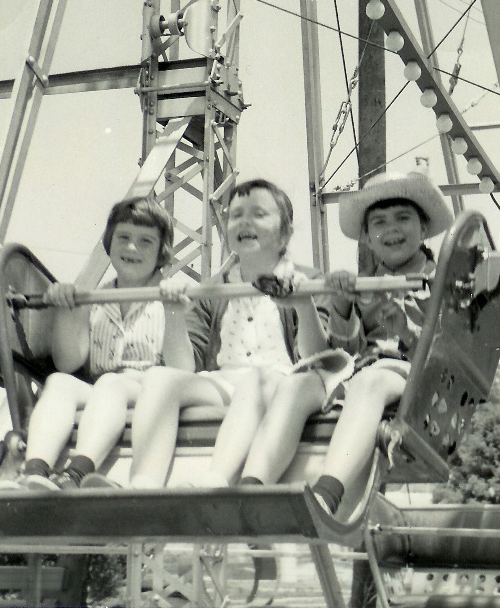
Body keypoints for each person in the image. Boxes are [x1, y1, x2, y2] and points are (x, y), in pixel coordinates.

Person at [126, 178, 342, 489]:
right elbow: (183, 368)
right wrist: (173, 313)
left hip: (283, 383)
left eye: (258, 214)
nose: (244, 222)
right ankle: (144, 485)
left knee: (256, 379)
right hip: (226, 383)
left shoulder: (309, 280)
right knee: (159, 378)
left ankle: (215, 481)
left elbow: (318, 361)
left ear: (286, 234)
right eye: (236, 214)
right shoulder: (212, 289)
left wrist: (304, 305)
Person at [0, 196, 193, 492]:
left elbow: (184, 369)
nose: (132, 247)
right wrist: (67, 311)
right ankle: (34, 472)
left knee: (111, 383)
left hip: (150, 393)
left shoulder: (172, 295)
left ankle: (75, 474)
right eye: (123, 237)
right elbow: (68, 362)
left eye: (145, 241)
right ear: (109, 243)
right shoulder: (94, 299)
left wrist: (174, 310)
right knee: (59, 382)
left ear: (162, 252)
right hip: (104, 393)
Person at [310, 170, 453, 515]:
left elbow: (453, 357)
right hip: (365, 377)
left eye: (403, 218)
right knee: (317, 385)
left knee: (373, 380)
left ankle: (327, 492)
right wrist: (342, 305)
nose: (391, 229)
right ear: (367, 239)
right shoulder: (364, 286)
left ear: (423, 229)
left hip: (425, 383)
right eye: (379, 223)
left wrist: (406, 331)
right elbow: (343, 353)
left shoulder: (446, 282)